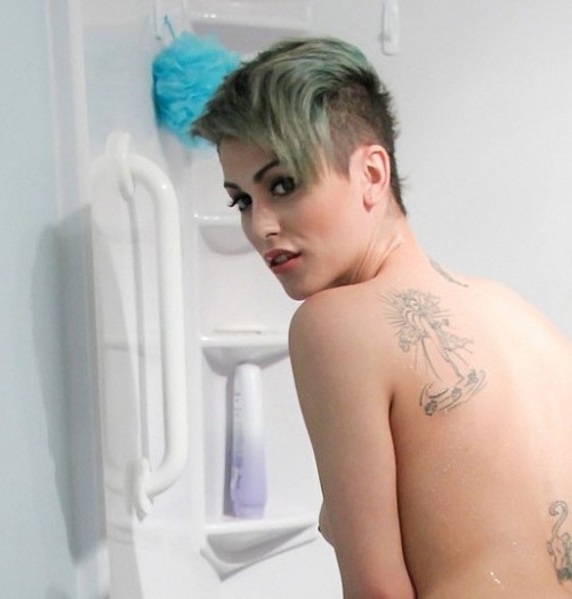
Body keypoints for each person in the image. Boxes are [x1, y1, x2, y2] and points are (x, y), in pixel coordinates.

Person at [191, 36, 572, 598]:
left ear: (372, 173)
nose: (260, 226)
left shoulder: (333, 325)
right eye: (242, 200)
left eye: (283, 185)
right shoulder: (522, 318)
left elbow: (378, 593)